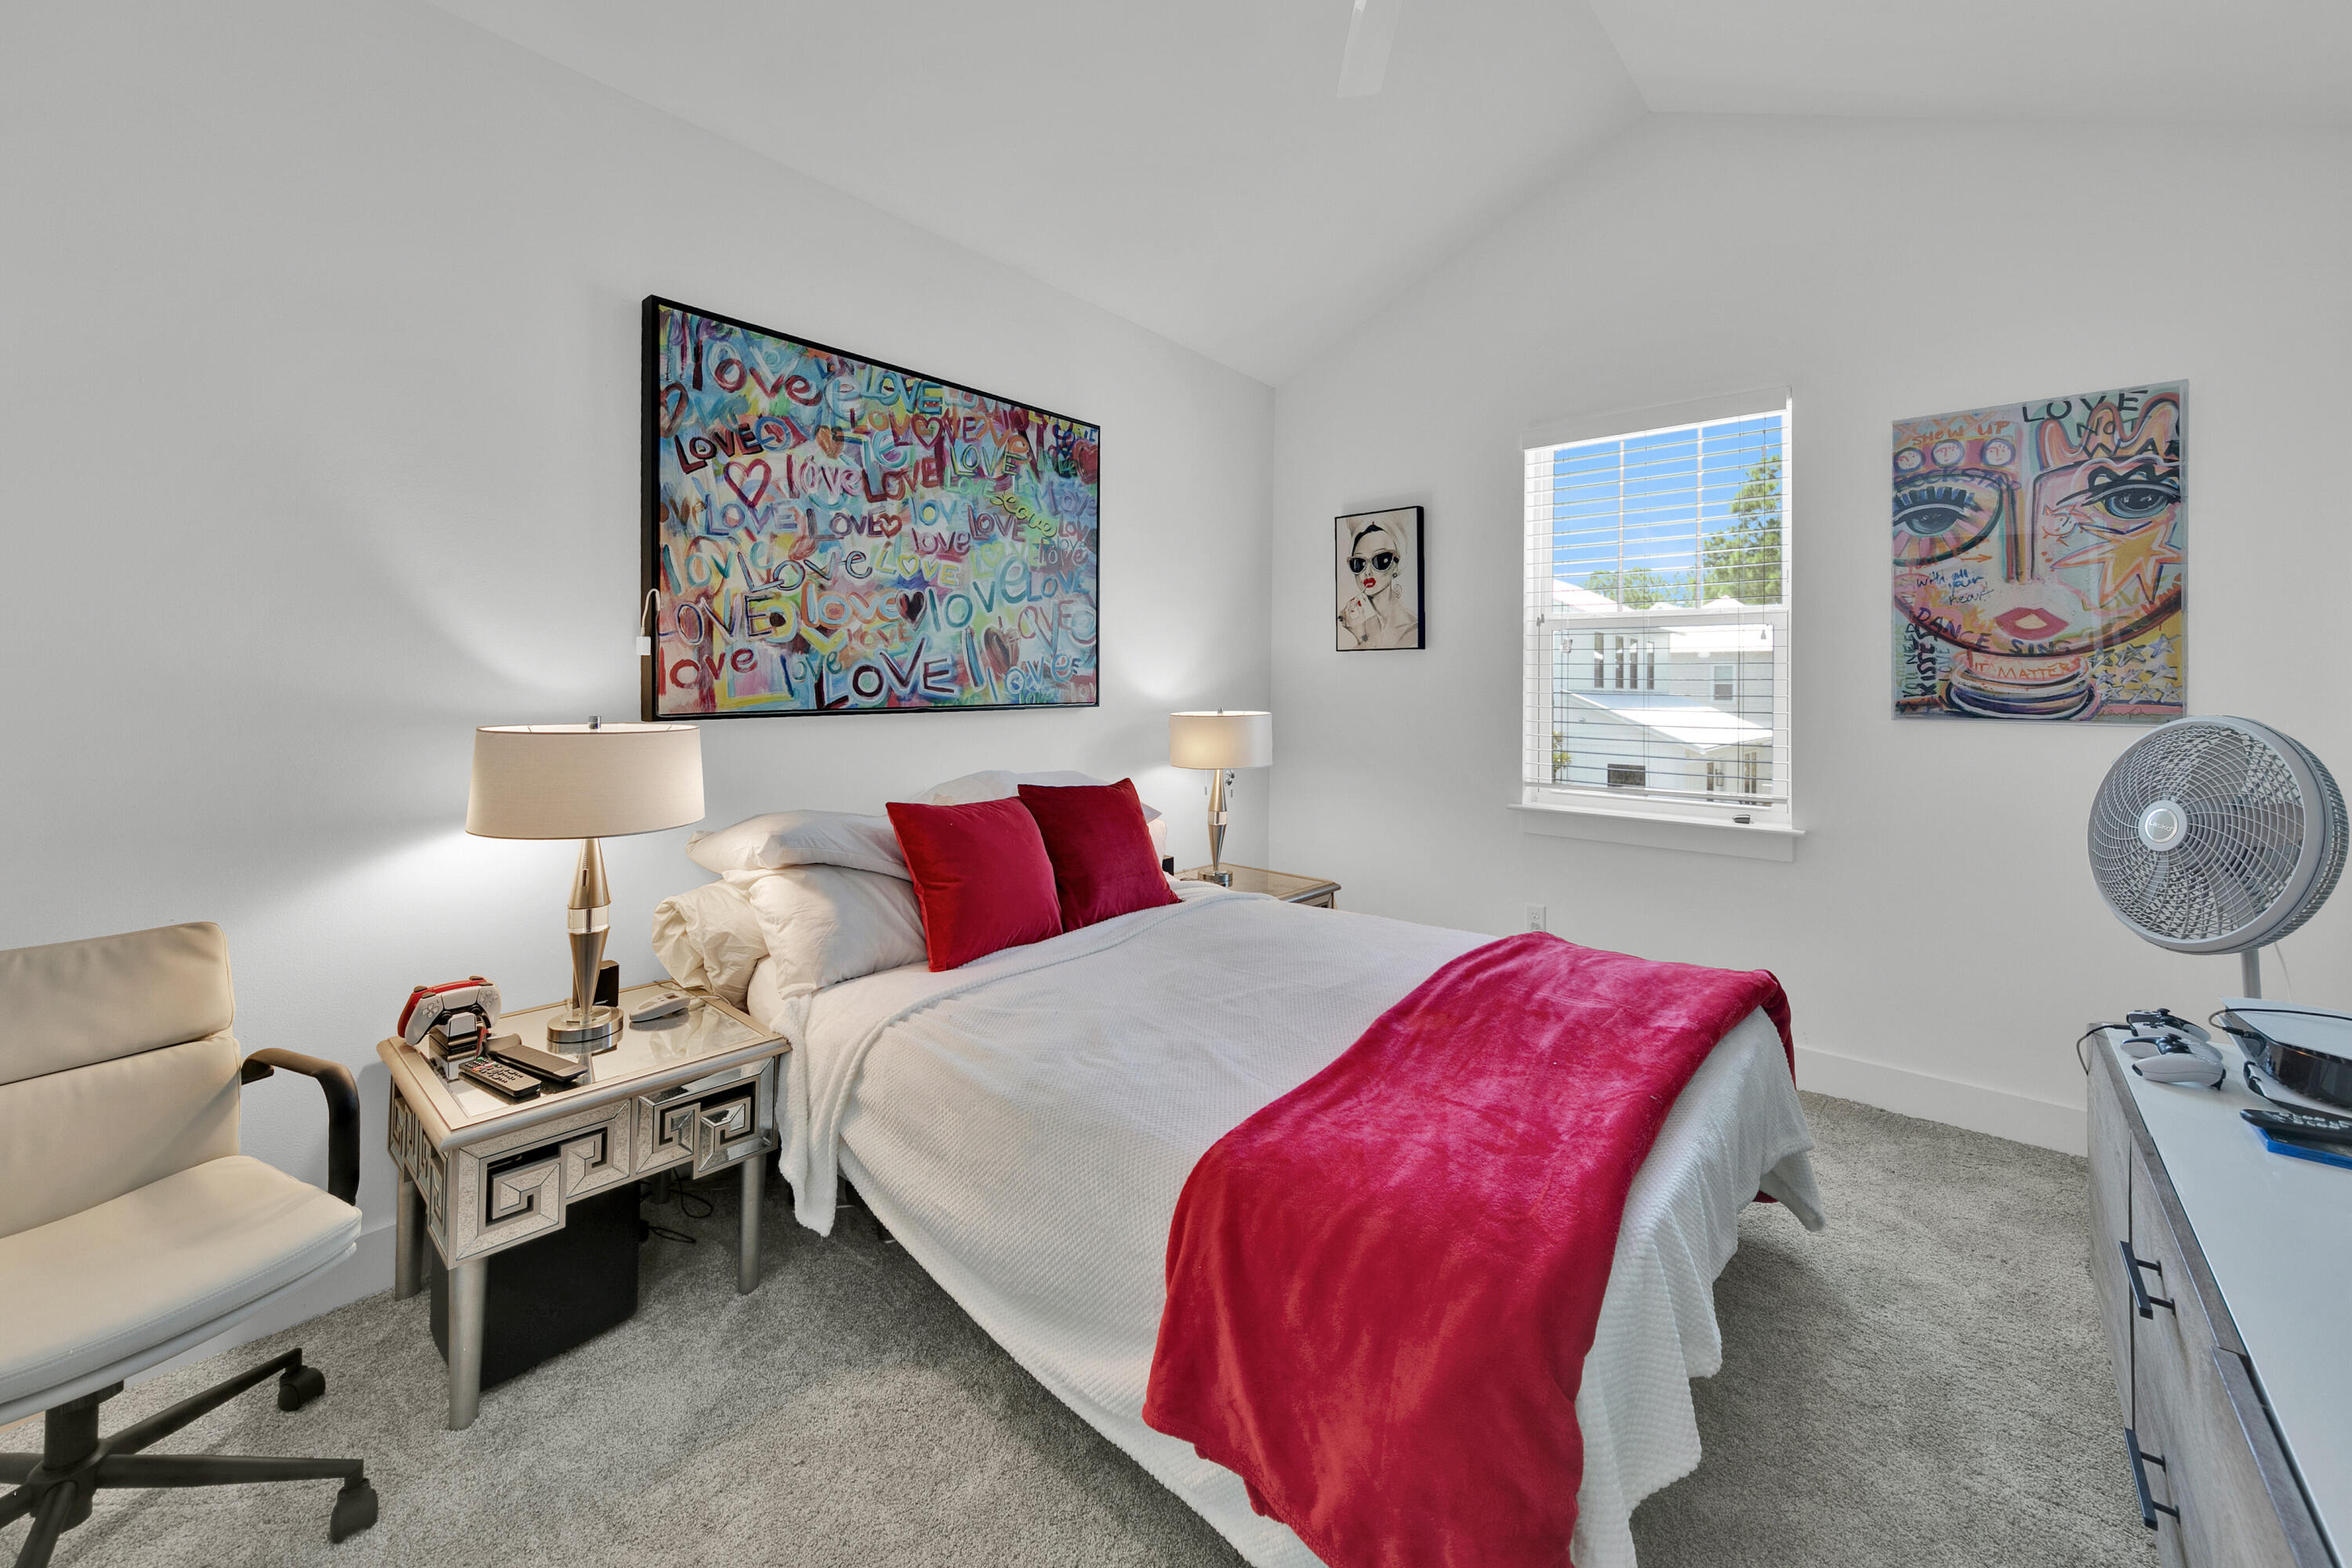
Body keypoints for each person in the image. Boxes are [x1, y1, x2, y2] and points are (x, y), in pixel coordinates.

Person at [1337, 520, 1418, 649]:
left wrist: (1360, 638)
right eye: (1359, 563)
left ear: (1397, 565)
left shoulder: (1413, 631)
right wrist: (1360, 634)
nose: (1367, 572)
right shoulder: (1364, 626)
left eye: (1381, 560)